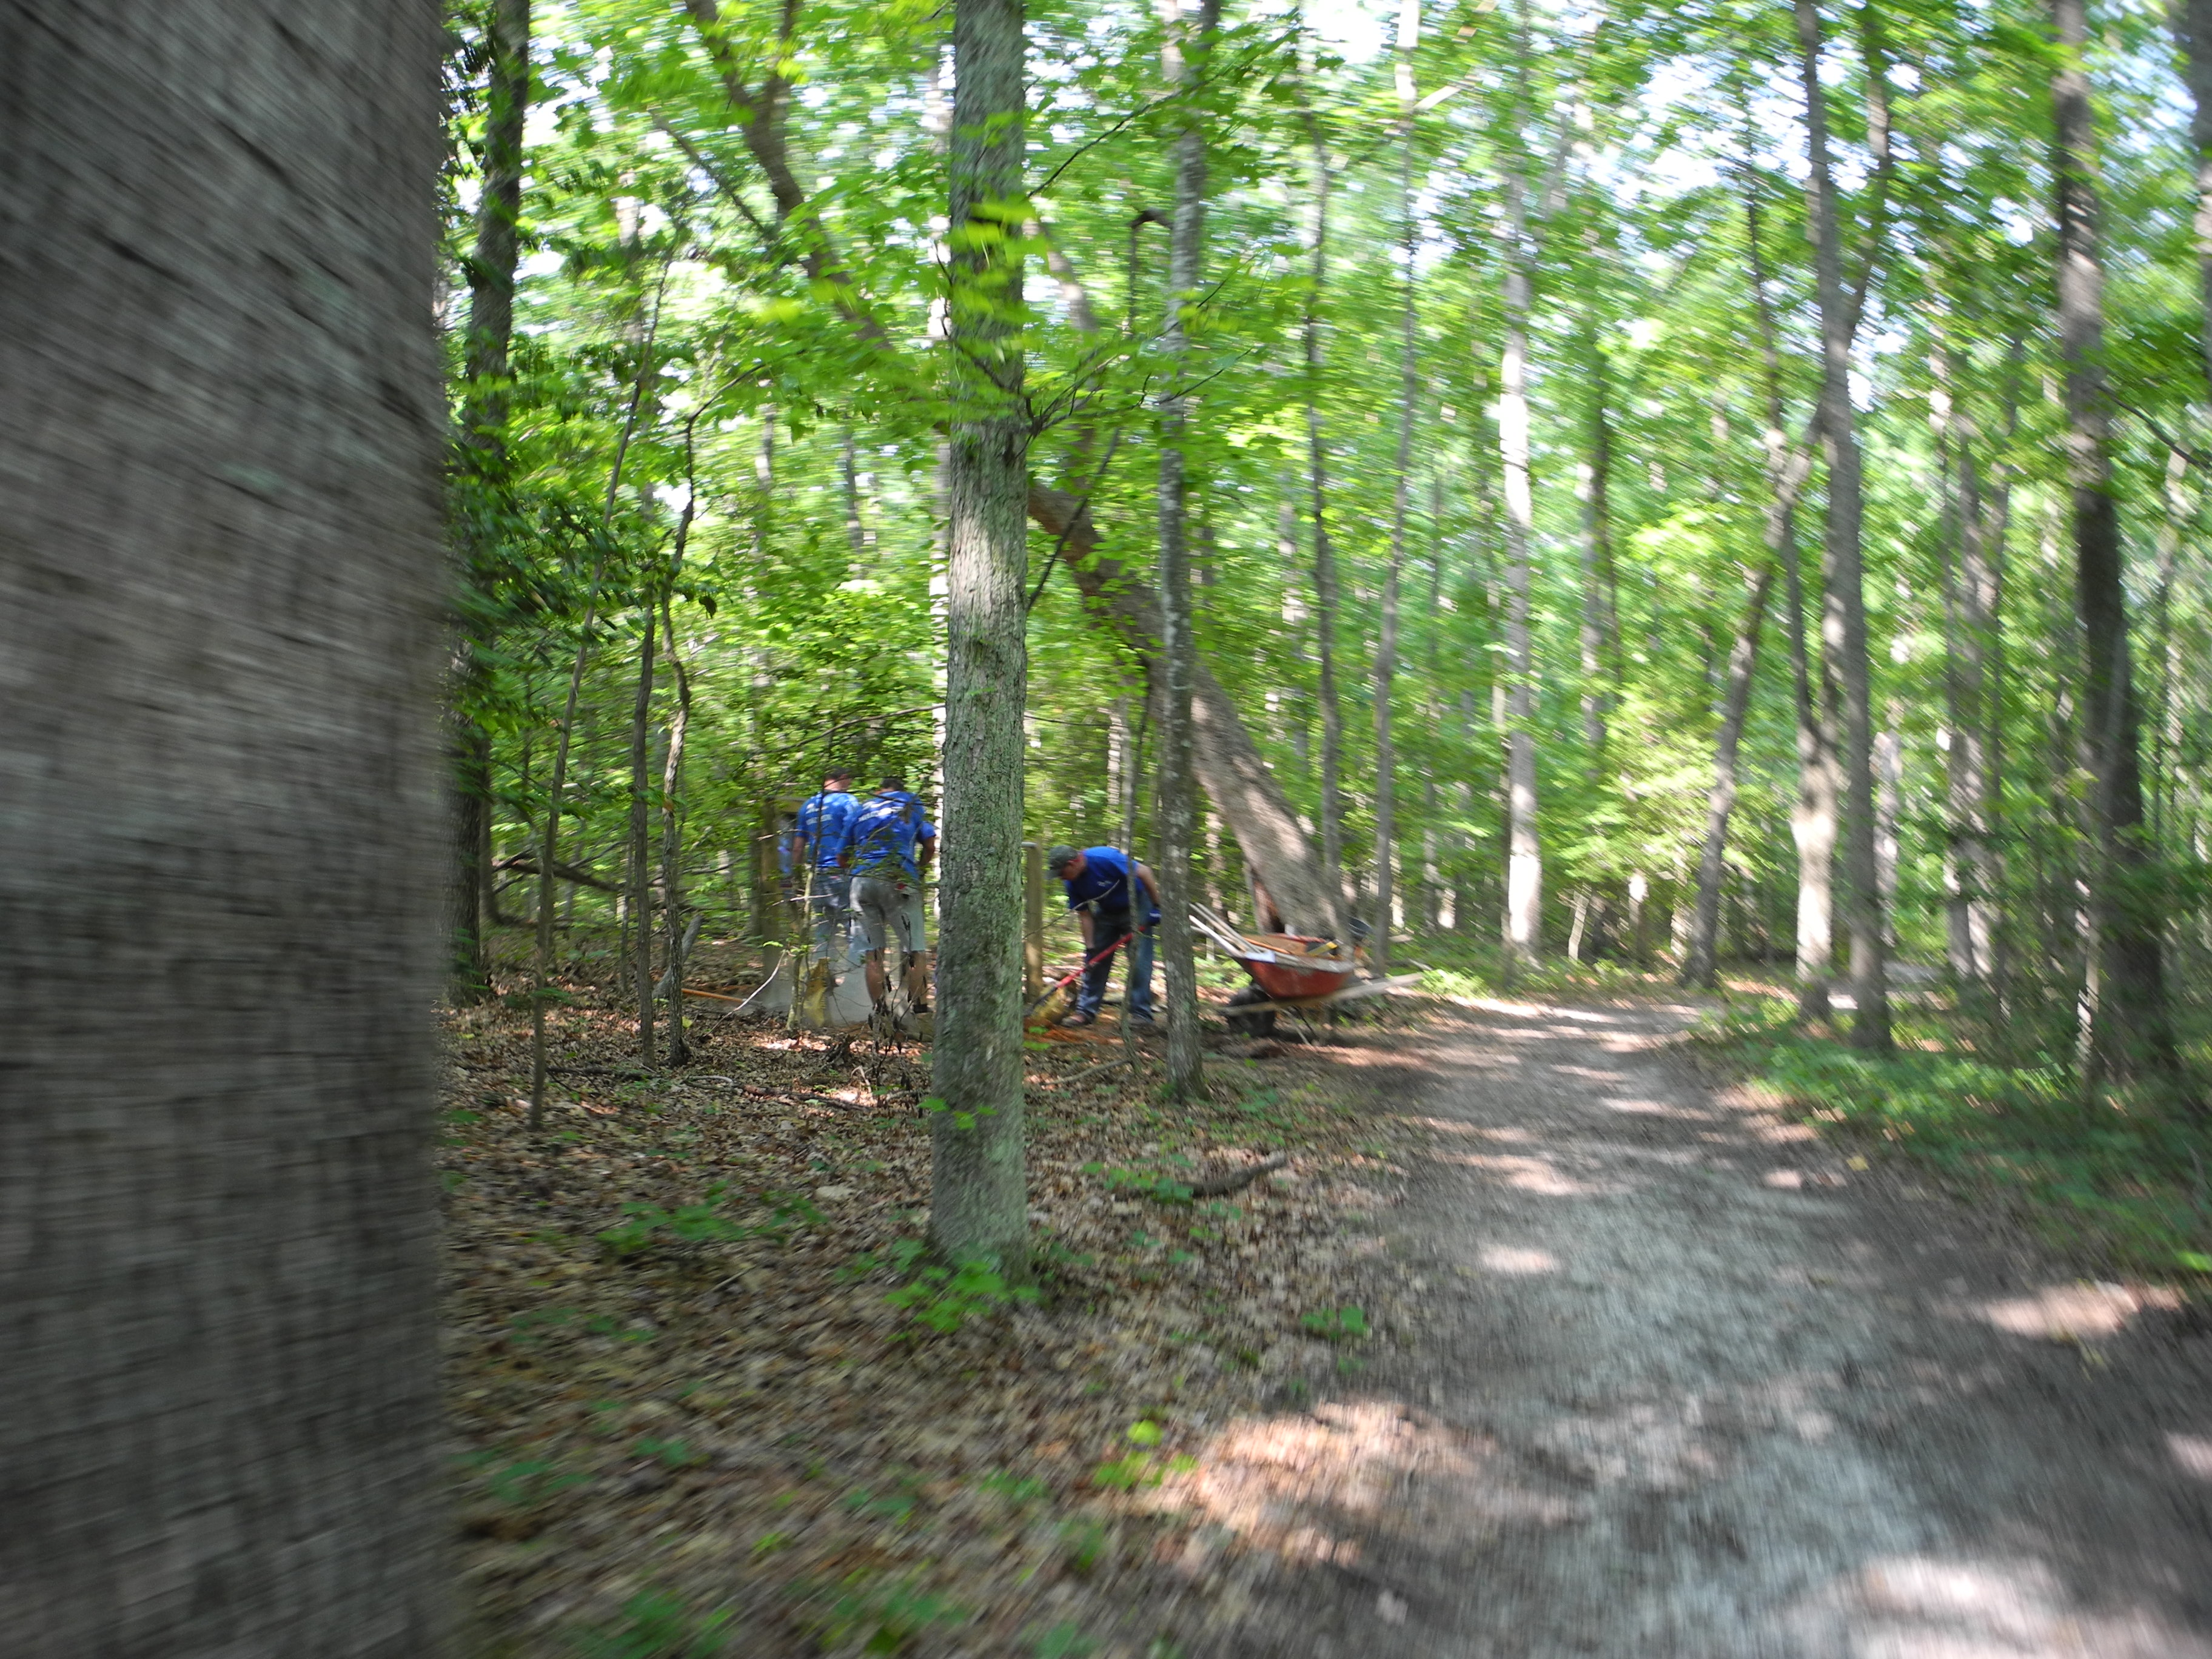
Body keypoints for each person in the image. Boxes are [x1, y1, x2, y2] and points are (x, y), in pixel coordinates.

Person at [840, 774, 937, 1012]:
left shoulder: (862, 809)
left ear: (879, 790)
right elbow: (930, 844)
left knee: (872, 952)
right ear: (900, 790)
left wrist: (859, 874)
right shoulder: (910, 803)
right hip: (898, 877)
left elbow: (841, 856)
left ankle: (881, 1014)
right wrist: (920, 871)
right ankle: (920, 1012)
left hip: (861, 882)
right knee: (915, 950)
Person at [1046, 844, 1159, 1029]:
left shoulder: (1105, 859)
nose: (1061, 877)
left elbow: (1145, 872)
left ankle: (1141, 1014)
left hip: (1137, 904)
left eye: (1062, 872)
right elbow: (1085, 915)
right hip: (1106, 911)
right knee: (1095, 963)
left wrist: (1156, 906)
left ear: (1073, 863)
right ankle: (1085, 1012)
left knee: (1139, 962)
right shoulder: (1071, 883)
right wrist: (1091, 948)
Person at [793, 767, 860, 962]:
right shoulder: (848, 801)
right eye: (850, 781)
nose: (850, 785)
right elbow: (858, 833)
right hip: (843, 871)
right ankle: (856, 982)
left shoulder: (808, 805)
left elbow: (798, 847)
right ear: (844, 778)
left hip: (818, 875)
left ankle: (819, 980)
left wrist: (795, 877)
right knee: (853, 926)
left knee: (824, 928)